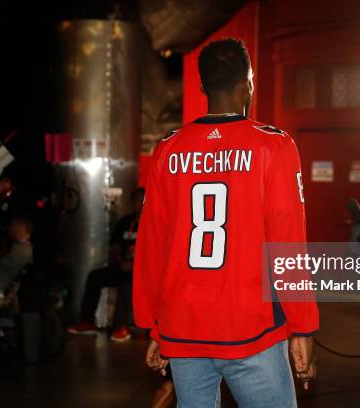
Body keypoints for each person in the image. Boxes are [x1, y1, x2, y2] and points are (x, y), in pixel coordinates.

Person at [133, 38, 319, 408]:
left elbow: (152, 244)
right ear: (249, 82)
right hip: (251, 329)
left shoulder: (168, 149)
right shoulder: (274, 146)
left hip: (183, 327)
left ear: (202, 86)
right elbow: (288, 243)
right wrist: (303, 324)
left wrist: (155, 324)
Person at [67, 188, 145, 340]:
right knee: (95, 277)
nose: (139, 204)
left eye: (142, 200)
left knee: (126, 283)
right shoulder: (125, 222)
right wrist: (122, 262)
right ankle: (87, 321)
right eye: (136, 200)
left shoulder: (154, 223)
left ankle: (121, 326)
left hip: (143, 272)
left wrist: (135, 264)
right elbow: (115, 247)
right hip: (123, 266)